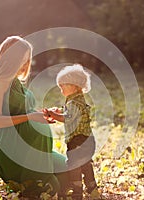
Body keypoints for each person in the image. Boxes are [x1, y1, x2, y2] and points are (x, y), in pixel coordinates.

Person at [0, 36, 68, 199]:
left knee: (68, 171)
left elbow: (22, 111)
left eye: (28, 59)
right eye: (23, 59)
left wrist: (44, 114)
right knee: (51, 187)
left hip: (35, 148)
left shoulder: (15, 82)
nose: (27, 64)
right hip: (11, 148)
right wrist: (29, 117)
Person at [44, 64, 101, 200]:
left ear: (75, 86)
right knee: (85, 164)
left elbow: (67, 118)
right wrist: (58, 111)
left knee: (73, 165)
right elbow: (69, 112)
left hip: (78, 140)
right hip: (87, 140)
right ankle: (92, 188)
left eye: (63, 85)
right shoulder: (76, 100)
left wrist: (53, 115)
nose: (61, 89)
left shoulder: (74, 103)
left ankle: (76, 191)